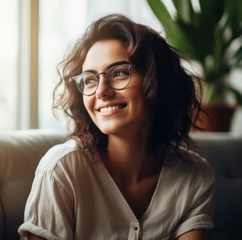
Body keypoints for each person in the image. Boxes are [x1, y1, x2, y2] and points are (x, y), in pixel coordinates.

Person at [18, 14, 214, 240]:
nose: (101, 91)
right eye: (90, 79)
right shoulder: (61, 170)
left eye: (119, 73)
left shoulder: (196, 176)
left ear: (157, 80)